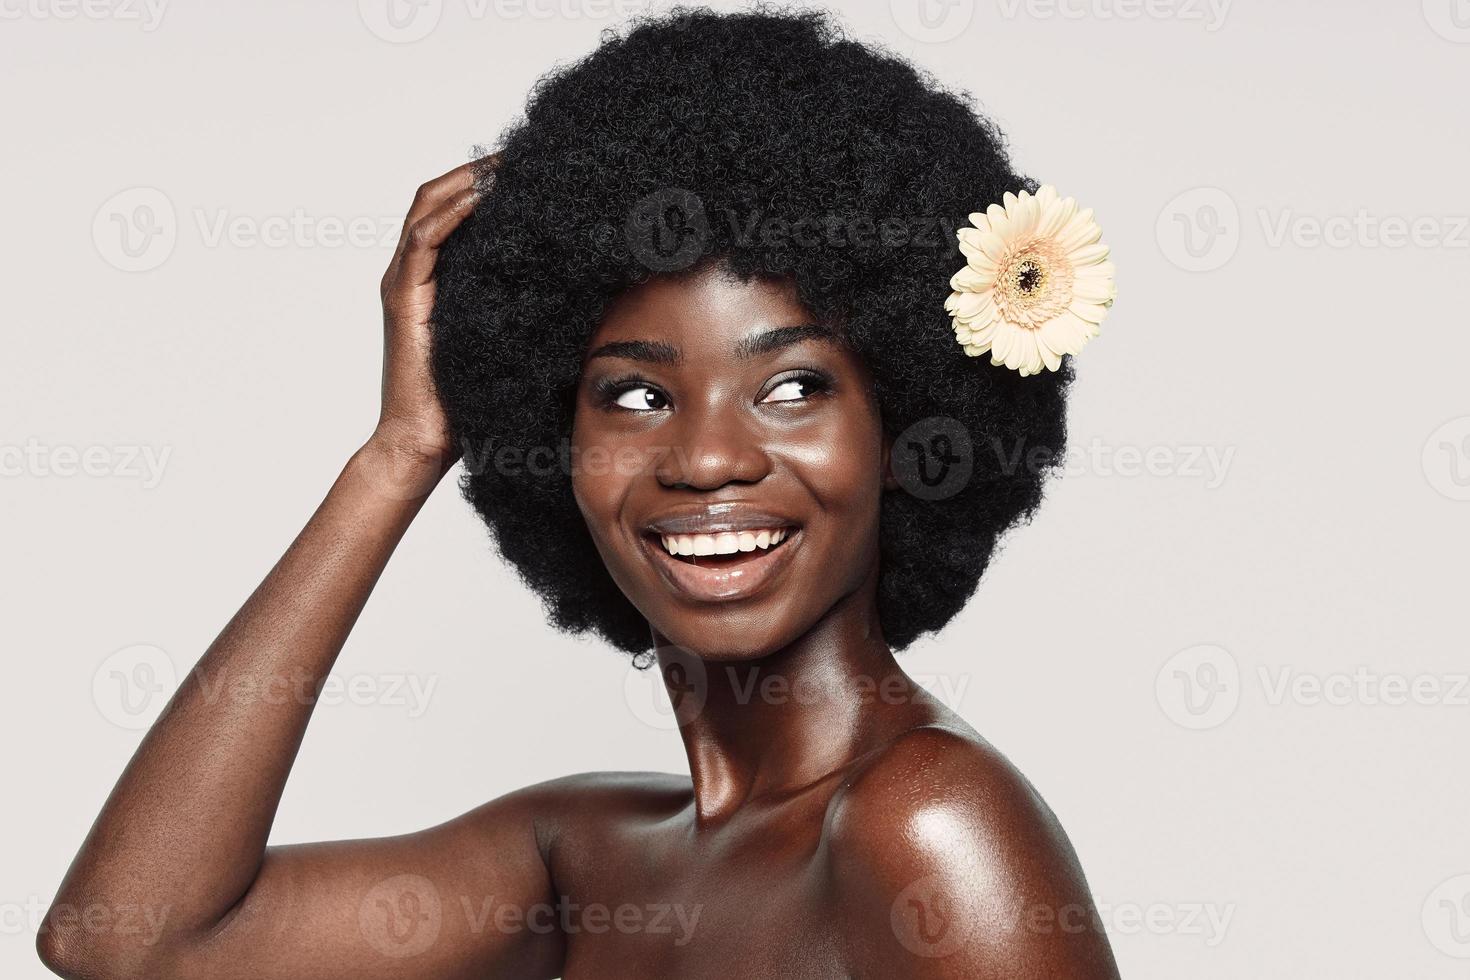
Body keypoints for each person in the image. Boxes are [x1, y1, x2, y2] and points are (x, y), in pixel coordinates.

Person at [40, 7, 1119, 977]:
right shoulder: (592, 856)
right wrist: (403, 449)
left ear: (903, 429)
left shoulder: (926, 820)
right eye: (637, 394)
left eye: (792, 385)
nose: (706, 457)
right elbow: (129, 937)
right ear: (553, 439)